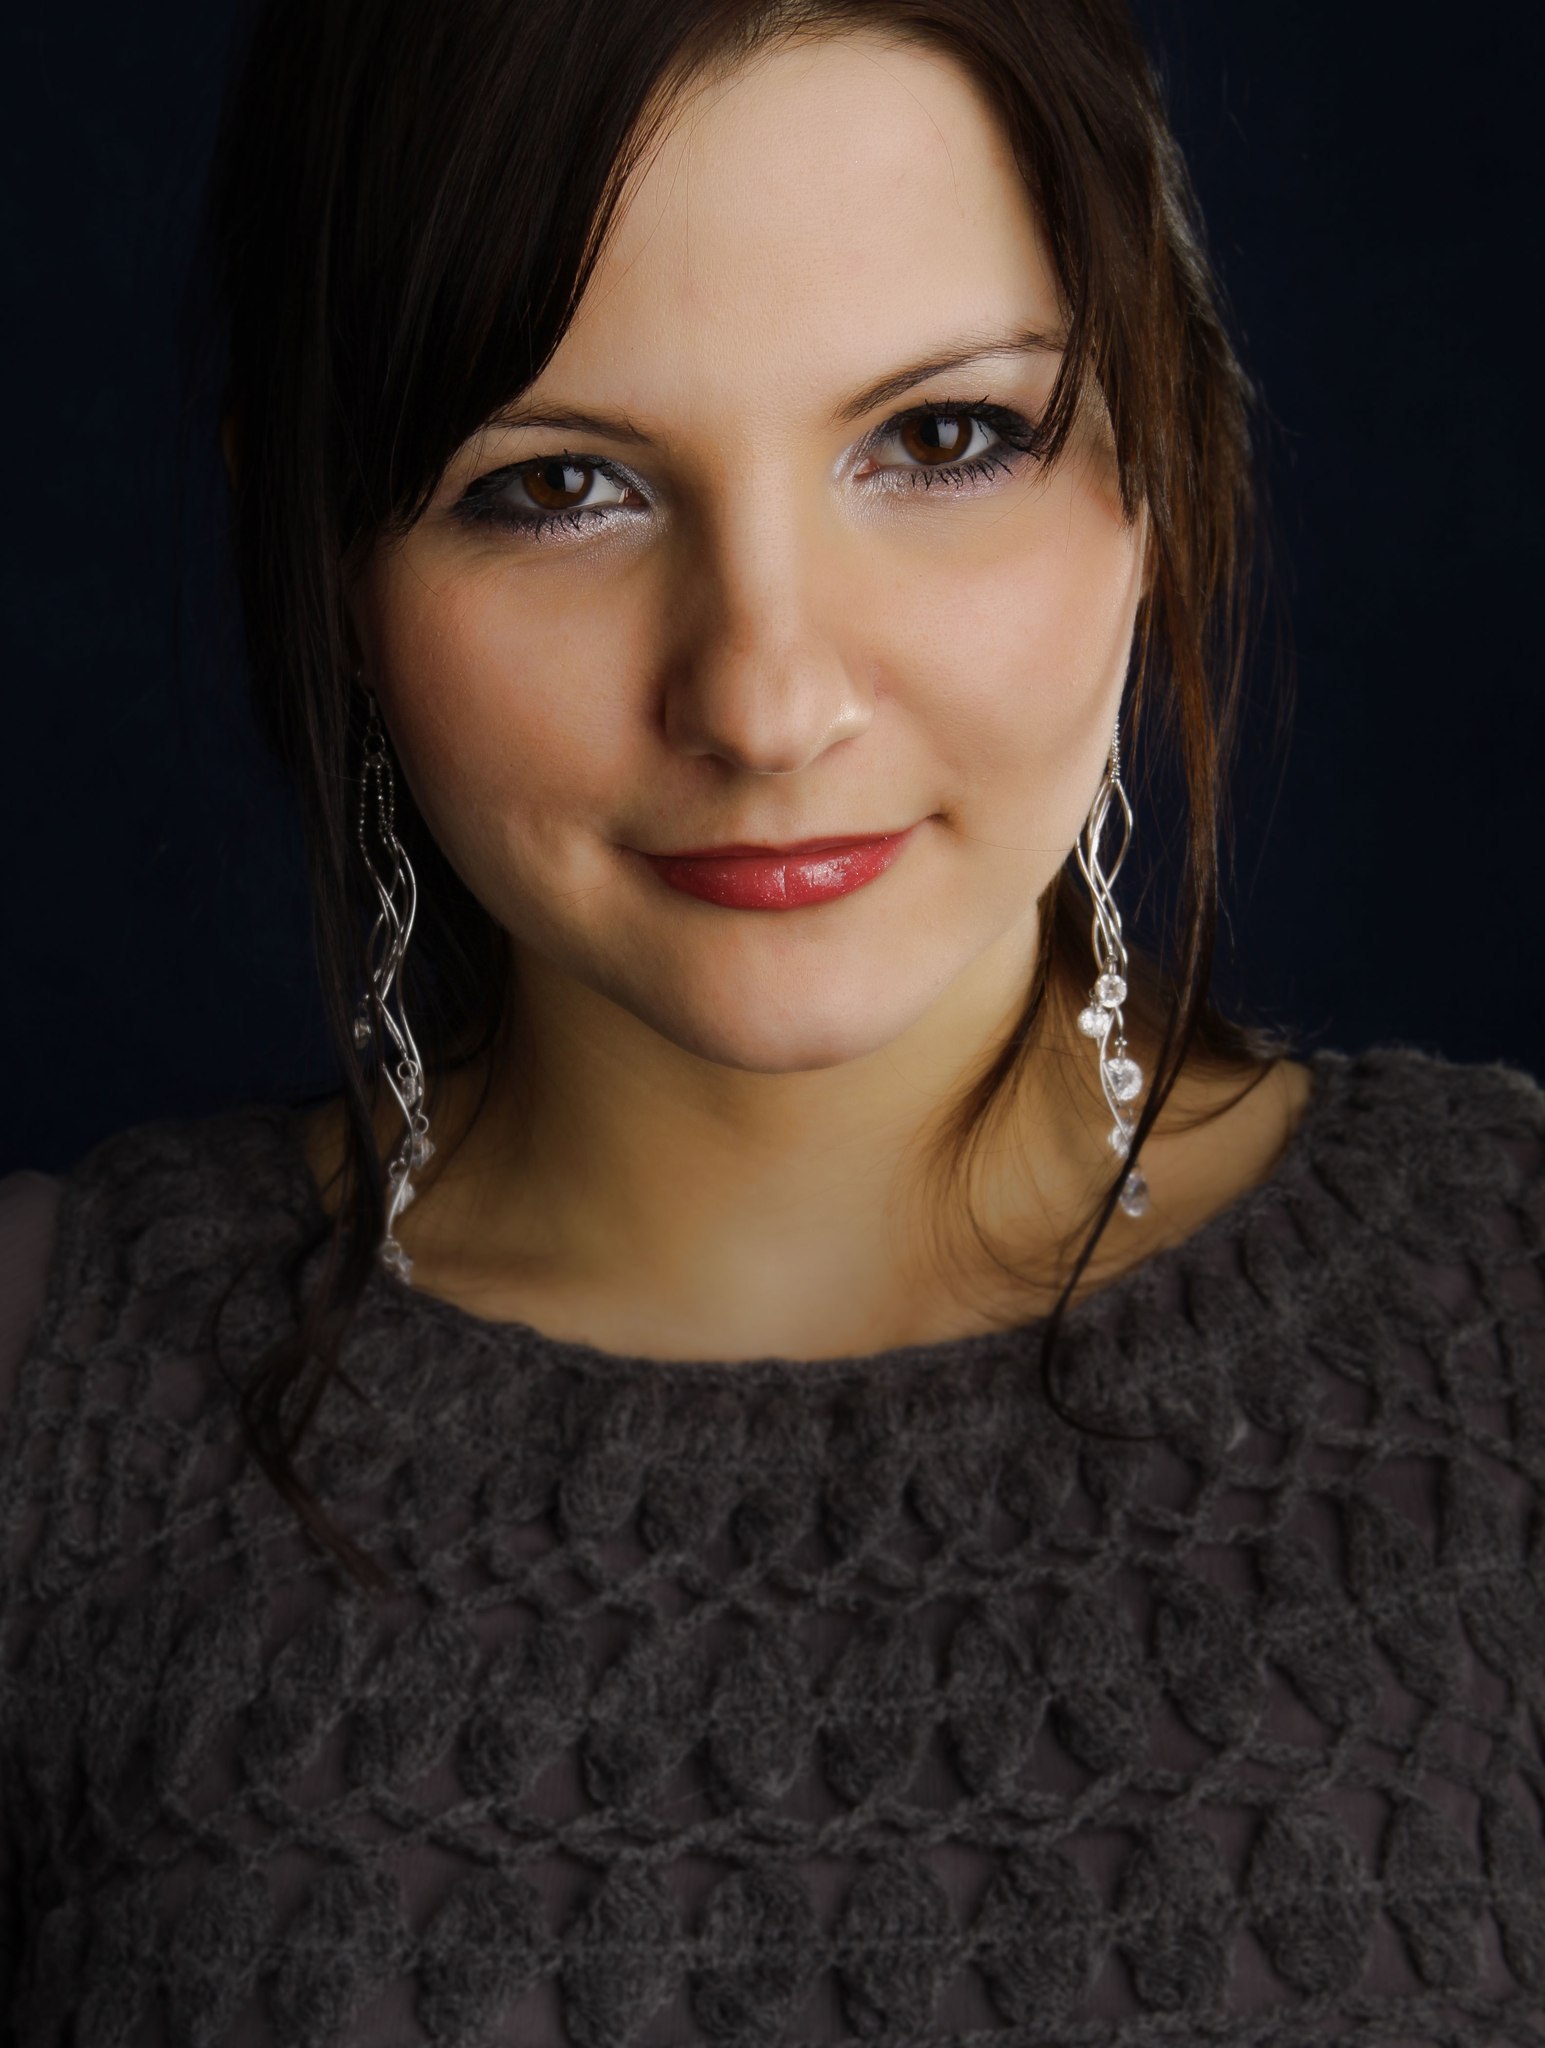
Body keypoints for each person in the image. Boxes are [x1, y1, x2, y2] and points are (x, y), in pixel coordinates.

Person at [1, 0, 1541, 2041]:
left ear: (1160, 452)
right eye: (557, 485)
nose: (764, 698)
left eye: (942, 440)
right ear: (323, 551)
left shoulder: (1507, 1318)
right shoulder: (49, 1400)